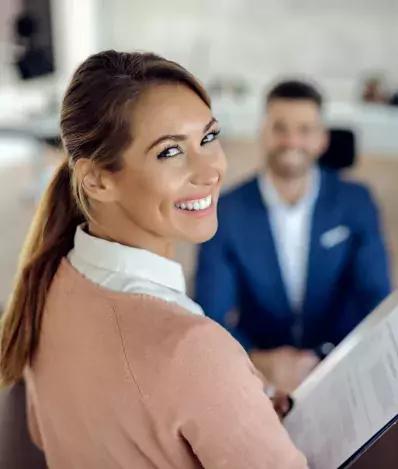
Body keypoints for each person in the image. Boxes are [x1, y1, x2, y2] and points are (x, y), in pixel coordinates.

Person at [0, 50, 307, 469]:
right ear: (96, 179)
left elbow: (46, 430)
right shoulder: (193, 348)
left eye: (209, 138)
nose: (210, 170)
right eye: (169, 152)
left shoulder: (50, 279)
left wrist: (233, 410)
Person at [194, 80, 391, 393]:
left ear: (323, 139)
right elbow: (209, 314)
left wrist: (336, 357)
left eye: (305, 130)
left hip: (342, 365)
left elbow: (377, 296)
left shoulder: (356, 202)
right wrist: (259, 361)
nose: (292, 141)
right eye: (280, 128)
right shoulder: (226, 212)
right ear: (262, 133)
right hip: (257, 375)